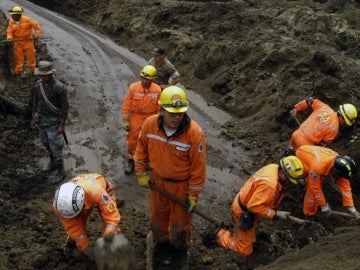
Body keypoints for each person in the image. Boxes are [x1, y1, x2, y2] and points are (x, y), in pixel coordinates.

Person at [134, 85, 207, 268]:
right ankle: (161, 243)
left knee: (181, 225)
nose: (177, 117)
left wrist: (193, 194)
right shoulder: (149, 124)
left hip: (181, 186)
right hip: (158, 182)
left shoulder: (194, 134)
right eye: (172, 113)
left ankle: (180, 249)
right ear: (161, 109)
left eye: (180, 113)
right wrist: (141, 172)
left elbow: (198, 169)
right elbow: (140, 149)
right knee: (158, 217)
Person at [202, 156, 305, 258]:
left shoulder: (273, 167)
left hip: (244, 201)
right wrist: (275, 213)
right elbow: (254, 207)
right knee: (244, 249)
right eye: (290, 180)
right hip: (243, 212)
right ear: (283, 174)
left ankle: (236, 232)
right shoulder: (270, 186)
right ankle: (218, 235)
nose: (290, 184)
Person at [53, 173, 121, 258]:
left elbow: (112, 218)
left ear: (83, 205)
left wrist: (108, 238)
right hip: (82, 201)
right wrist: (86, 249)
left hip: (101, 192)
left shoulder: (97, 192)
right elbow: (73, 228)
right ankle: (71, 245)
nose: (75, 218)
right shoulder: (59, 207)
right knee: (76, 227)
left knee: (109, 226)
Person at [292, 145, 360, 219]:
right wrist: (324, 205)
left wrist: (352, 209)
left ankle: (306, 183)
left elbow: (345, 189)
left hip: (315, 158)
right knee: (311, 194)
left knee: (314, 181)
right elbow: (315, 189)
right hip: (302, 155)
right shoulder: (318, 168)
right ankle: (309, 215)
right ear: (336, 172)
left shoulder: (339, 164)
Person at [31, 61, 69, 184]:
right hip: (42, 120)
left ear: (50, 74)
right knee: (45, 142)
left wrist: (62, 124)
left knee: (56, 147)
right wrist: (34, 118)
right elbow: (36, 103)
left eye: (44, 75)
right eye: (40, 75)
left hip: (54, 122)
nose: (42, 77)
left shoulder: (59, 87)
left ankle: (61, 171)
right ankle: (53, 162)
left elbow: (64, 107)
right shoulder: (38, 85)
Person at [121, 65, 161, 175]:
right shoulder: (133, 88)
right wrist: (125, 120)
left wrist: (158, 123)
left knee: (149, 141)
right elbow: (126, 105)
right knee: (132, 140)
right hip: (135, 118)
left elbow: (159, 109)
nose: (144, 81)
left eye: (147, 79)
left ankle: (144, 161)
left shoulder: (157, 90)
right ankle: (131, 160)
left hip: (150, 119)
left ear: (152, 79)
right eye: (142, 78)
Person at [288, 97, 357, 150]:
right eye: (345, 121)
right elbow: (322, 145)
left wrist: (296, 108)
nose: (344, 124)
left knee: (289, 154)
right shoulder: (334, 129)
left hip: (296, 134)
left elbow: (310, 100)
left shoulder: (324, 107)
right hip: (305, 145)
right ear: (341, 117)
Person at [6, 6, 41, 76]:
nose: (12, 16)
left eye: (13, 15)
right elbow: (9, 31)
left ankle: (33, 70)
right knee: (19, 58)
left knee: (31, 57)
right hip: (18, 42)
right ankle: (18, 71)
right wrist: (9, 37)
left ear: (18, 15)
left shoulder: (27, 20)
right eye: (12, 15)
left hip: (28, 41)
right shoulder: (11, 22)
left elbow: (36, 26)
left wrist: (37, 34)